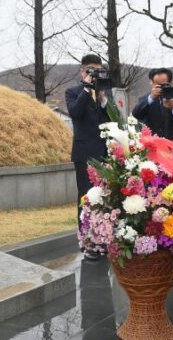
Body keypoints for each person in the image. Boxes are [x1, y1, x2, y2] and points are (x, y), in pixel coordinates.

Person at [66, 54, 115, 260]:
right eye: (91, 71)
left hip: (105, 153)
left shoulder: (106, 92)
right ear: (82, 71)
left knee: (105, 199)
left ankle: (103, 240)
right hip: (84, 154)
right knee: (86, 199)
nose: (95, 75)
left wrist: (103, 100)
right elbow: (75, 113)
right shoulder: (73, 92)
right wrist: (87, 89)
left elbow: (114, 117)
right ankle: (87, 242)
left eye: (99, 70)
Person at [132, 68, 173, 147]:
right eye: (158, 85)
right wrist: (151, 98)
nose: (161, 88)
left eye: (164, 85)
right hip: (153, 146)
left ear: (170, 83)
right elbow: (136, 114)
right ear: (151, 83)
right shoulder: (145, 99)